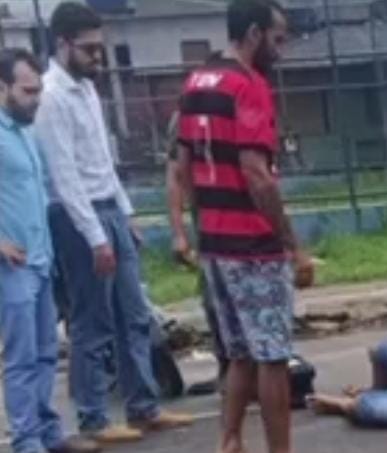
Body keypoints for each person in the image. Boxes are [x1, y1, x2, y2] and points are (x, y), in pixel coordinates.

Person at [34, 2, 194, 443]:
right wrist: (95, 236)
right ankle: (93, 418)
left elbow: (103, 160)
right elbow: (64, 176)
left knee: (134, 313)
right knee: (93, 320)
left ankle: (143, 404)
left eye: (99, 48)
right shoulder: (51, 97)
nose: (97, 57)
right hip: (76, 216)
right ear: (63, 44)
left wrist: (125, 215)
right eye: (89, 49)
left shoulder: (86, 89)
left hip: (108, 207)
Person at [175, 1, 316, 452]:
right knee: (272, 356)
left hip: (215, 243)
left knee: (238, 353)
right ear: (254, 33)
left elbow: (182, 166)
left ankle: (230, 439)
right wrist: (292, 245)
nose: (281, 50)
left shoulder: (197, 82)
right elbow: (257, 174)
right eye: (277, 39)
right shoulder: (248, 85)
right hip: (253, 245)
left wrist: (198, 224)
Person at [0, 48, 101, 453]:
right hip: (13, 266)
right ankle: (27, 440)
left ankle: (46, 431)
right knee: (22, 358)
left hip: (40, 259)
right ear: (3, 88)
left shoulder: (25, 132)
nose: (36, 99)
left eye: (38, 90)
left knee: (45, 353)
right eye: (27, 91)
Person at [164, 110, 229, 391]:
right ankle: (229, 371)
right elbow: (175, 174)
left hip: (246, 222)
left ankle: (257, 375)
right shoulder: (187, 113)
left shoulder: (245, 103)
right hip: (211, 227)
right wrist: (179, 233)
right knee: (215, 301)